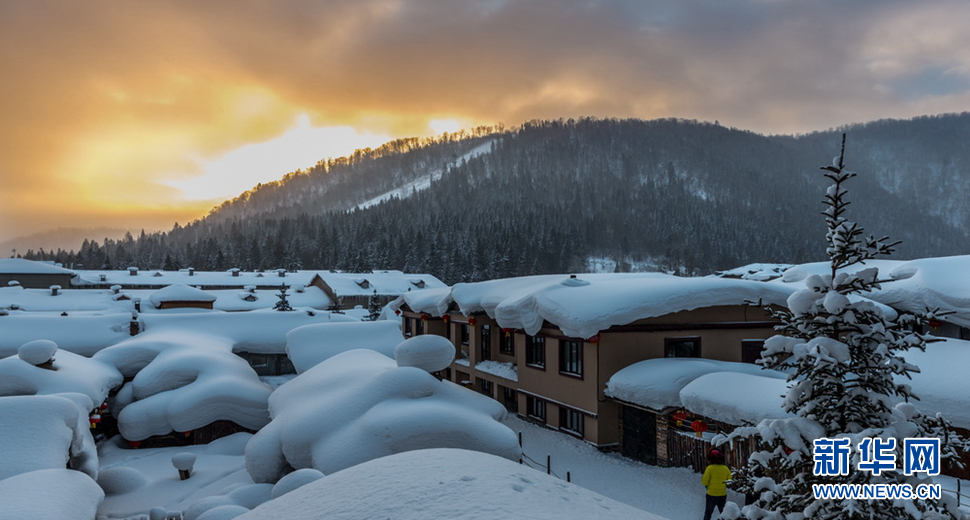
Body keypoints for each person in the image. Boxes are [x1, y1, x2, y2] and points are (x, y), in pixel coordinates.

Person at [701, 448, 731, 520]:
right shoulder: (725, 468)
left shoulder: (710, 468)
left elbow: (704, 482)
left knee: (708, 512)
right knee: (723, 513)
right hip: (722, 494)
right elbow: (730, 481)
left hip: (711, 495)